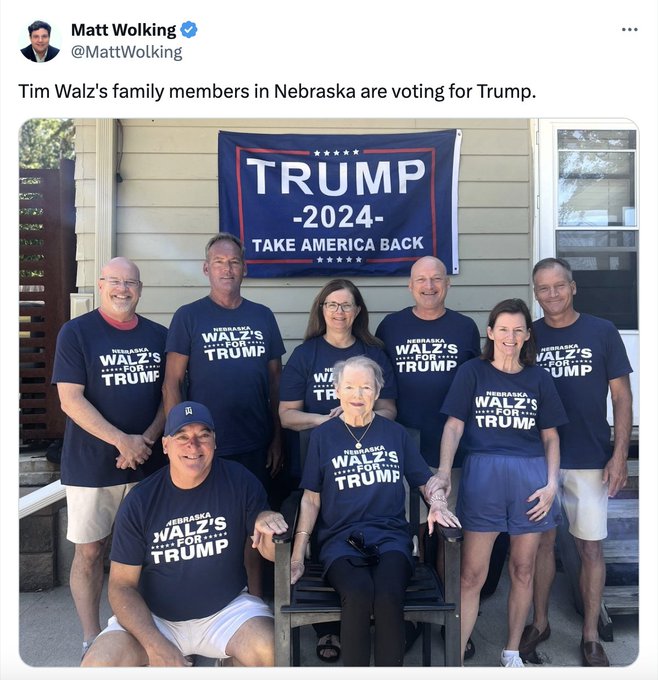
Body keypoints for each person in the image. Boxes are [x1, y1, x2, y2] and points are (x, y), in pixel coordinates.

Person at [80, 401, 288, 667]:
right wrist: (155, 644)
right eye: (182, 437)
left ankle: (227, 659)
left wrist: (269, 522)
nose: (194, 445)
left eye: (203, 435)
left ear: (215, 441)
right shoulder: (141, 500)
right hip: (156, 618)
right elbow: (121, 587)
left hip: (226, 611)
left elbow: (267, 548)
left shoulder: (240, 481)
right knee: (97, 665)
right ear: (165, 445)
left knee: (272, 651)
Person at [427, 298, 568, 667]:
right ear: (490, 333)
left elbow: (551, 437)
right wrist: (443, 471)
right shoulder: (472, 372)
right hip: (483, 476)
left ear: (526, 335)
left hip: (529, 478)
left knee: (523, 568)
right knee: (472, 574)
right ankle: (455, 659)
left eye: (518, 329)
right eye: (503, 329)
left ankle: (511, 651)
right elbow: (454, 425)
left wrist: (552, 484)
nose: (510, 336)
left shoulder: (539, 378)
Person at [289, 356, 451, 666]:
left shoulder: (394, 434)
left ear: (377, 392)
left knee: (389, 595)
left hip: (391, 539)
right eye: (349, 386)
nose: (357, 395)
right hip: (339, 541)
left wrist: (439, 504)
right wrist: (298, 555)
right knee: (359, 593)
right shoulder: (323, 436)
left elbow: (424, 481)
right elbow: (311, 499)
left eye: (366, 387)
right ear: (337, 390)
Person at [52, 257, 168, 659]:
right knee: (90, 551)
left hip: (149, 463)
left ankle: (149, 630)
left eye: (130, 283)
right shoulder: (77, 333)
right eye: (115, 281)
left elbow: (168, 398)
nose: (123, 289)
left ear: (140, 289)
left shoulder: (159, 335)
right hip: (91, 466)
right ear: (101, 285)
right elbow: (70, 399)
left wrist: (145, 441)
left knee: (153, 551)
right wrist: (122, 441)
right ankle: (91, 636)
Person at [519, 258, 633, 667]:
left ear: (573, 286)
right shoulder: (528, 335)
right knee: (542, 545)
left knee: (590, 547)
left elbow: (621, 397)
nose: (552, 294)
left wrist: (619, 455)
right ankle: (541, 622)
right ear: (535, 293)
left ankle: (589, 636)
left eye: (559, 286)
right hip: (537, 458)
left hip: (589, 456)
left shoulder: (602, 331)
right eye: (543, 288)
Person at [279, 278, 397, 662]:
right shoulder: (305, 355)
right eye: (332, 305)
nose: (339, 312)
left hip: (367, 467)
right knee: (329, 544)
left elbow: (390, 410)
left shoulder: (374, 353)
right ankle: (329, 632)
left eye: (346, 305)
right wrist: (327, 421)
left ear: (358, 311)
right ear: (321, 309)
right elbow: (286, 415)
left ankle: (372, 627)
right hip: (321, 466)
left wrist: (357, 416)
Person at [163, 233, 286, 597]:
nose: (227, 268)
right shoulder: (189, 317)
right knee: (207, 529)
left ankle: (255, 603)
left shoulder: (262, 316)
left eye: (234, 262)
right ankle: (205, 599)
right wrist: (175, 441)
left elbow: (276, 382)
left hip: (255, 443)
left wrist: (278, 437)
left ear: (244, 268)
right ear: (206, 268)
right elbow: (171, 383)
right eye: (219, 262)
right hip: (203, 447)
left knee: (254, 527)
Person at [375, 256, 481, 658]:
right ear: (410, 285)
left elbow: (475, 387)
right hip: (399, 450)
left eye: (437, 278)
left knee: (445, 535)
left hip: (448, 451)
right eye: (422, 279)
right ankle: (411, 616)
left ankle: (449, 615)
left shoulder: (465, 328)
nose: (430, 285)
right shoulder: (391, 326)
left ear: (448, 284)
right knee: (410, 534)